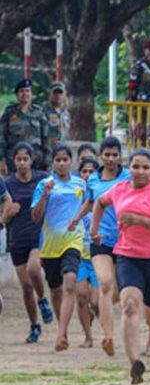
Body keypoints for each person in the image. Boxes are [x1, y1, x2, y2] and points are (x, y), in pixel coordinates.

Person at [91, 149, 150, 384]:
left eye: (145, 167)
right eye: (135, 167)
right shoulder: (119, 189)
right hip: (128, 257)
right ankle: (134, 362)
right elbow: (99, 202)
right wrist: (94, 230)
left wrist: (140, 220)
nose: (139, 172)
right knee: (129, 305)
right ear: (129, 168)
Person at [68, 136, 131, 356]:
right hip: (99, 240)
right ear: (100, 156)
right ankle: (108, 337)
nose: (111, 159)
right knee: (104, 285)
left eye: (115, 154)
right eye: (107, 154)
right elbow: (89, 201)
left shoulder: (128, 177)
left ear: (120, 156)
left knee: (118, 292)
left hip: (126, 241)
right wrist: (77, 219)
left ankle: (106, 313)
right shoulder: (93, 179)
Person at [31, 144, 86, 352]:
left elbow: (89, 205)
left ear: (71, 162)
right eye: (58, 160)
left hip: (73, 239)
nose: (62, 163)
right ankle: (60, 328)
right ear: (53, 162)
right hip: (50, 244)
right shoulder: (44, 184)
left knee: (70, 281)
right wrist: (45, 194)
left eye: (65, 160)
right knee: (56, 290)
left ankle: (62, 334)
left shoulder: (80, 183)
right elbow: (35, 216)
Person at [2, 142, 53, 343]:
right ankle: (34, 325)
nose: (22, 163)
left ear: (32, 160)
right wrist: (7, 212)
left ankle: (43, 300)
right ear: (13, 162)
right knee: (25, 287)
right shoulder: (7, 184)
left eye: (25, 159)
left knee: (34, 270)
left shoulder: (42, 179)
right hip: (16, 238)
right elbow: (2, 209)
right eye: (18, 159)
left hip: (38, 235)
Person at [74, 157, 100, 348]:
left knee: (97, 301)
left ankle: (96, 314)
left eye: (91, 171)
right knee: (81, 296)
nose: (87, 175)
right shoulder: (74, 197)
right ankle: (88, 337)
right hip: (80, 257)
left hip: (99, 257)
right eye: (84, 171)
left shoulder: (102, 197)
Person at [0, 79, 48, 174]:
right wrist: (2, 161)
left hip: (36, 162)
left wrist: (47, 163)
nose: (25, 94)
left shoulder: (39, 113)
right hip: (14, 163)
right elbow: (1, 138)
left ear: (31, 94)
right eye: (21, 91)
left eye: (27, 91)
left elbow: (46, 140)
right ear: (17, 95)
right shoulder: (9, 113)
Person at [44, 81, 70, 149]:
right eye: (55, 92)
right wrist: (48, 141)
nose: (58, 95)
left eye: (60, 92)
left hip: (62, 149)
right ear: (50, 94)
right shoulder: (43, 112)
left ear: (64, 94)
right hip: (48, 150)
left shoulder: (66, 113)